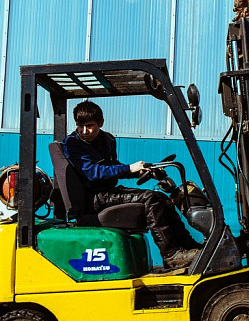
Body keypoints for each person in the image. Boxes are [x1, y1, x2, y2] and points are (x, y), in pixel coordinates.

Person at [61, 101, 200, 269]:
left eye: (89, 126)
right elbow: (92, 172)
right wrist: (128, 168)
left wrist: (137, 171)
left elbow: (110, 165)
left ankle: (189, 246)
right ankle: (171, 255)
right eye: (80, 126)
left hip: (108, 191)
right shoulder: (73, 143)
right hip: (94, 197)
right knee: (151, 200)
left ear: (101, 123)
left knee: (162, 198)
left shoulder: (108, 140)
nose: (84, 131)